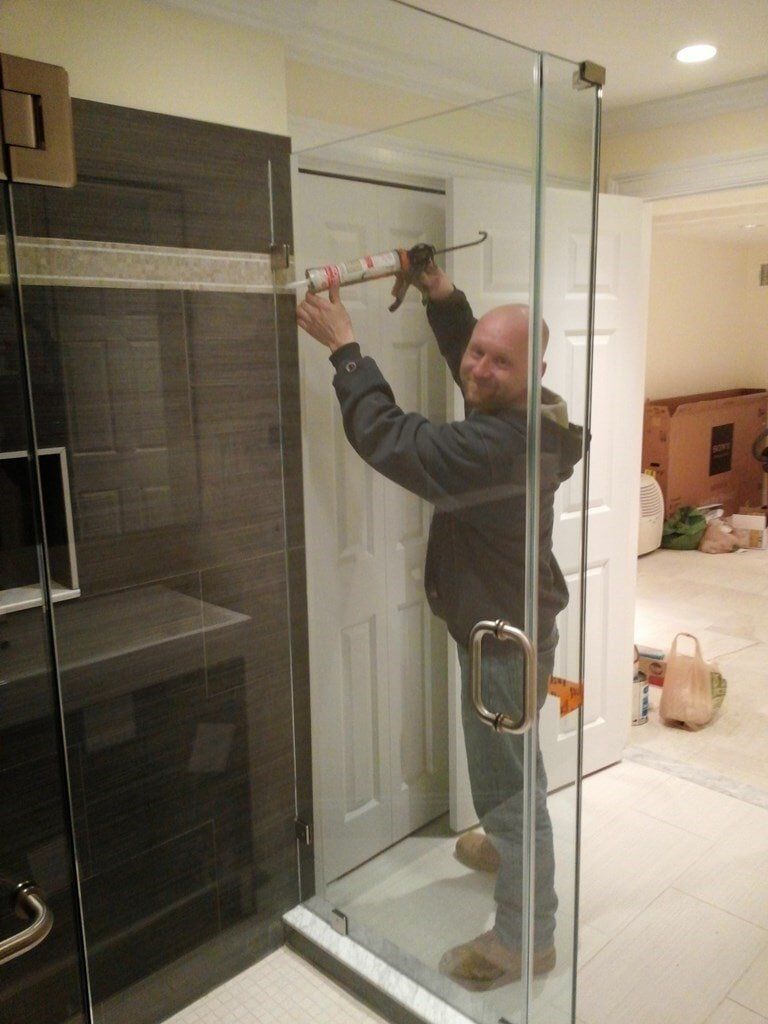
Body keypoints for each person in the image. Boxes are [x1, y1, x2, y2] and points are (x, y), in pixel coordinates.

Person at [296, 263, 582, 989]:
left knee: (513, 790)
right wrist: (445, 297)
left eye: (498, 359)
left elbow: (391, 438)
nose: (477, 368)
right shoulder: (533, 413)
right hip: (504, 624)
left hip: (503, 646)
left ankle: (526, 938)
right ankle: (509, 846)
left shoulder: (495, 450)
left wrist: (346, 351)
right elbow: (476, 365)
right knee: (510, 774)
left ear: (535, 371)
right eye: (475, 349)